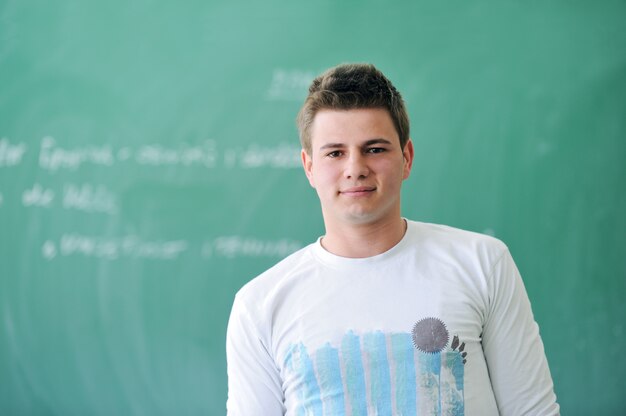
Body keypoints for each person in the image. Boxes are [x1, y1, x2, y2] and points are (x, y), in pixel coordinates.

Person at [226, 63, 559, 415]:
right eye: (335, 153)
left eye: (374, 149)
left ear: (407, 158)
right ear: (309, 166)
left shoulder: (482, 264)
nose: (355, 168)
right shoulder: (260, 306)